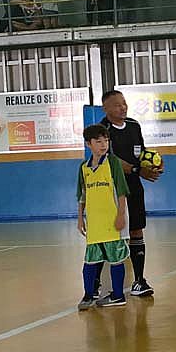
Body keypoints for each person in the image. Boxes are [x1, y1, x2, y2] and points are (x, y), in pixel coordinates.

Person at [99, 89, 162, 298]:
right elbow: (112, 160)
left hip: (134, 187)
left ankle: (139, 281)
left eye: (124, 103)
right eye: (117, 105)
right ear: (106, 108)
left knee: (136, 230)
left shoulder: (134, 126)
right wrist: (137, 170)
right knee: (110, 235)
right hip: (112, 189)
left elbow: (141, 152)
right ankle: (101, 283)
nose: (123, 107)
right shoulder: (103, 130)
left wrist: (153, 164)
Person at [77, 124, 130, 310]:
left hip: (112, 222)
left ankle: (118, 295)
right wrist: (80, 218)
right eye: (98, 141)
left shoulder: (112, 162)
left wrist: (121, 215)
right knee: (90, 261)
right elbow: (82, 195)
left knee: (116, 259)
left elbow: (121, 191)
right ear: (88, 144)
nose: (103, 144)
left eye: (106, 141)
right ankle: (88, 294)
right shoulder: (84, 167)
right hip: (94, 223)